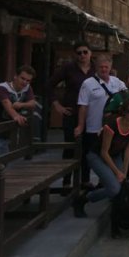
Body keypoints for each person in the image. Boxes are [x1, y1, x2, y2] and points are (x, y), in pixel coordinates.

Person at [73, 98, 129, 217]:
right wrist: (117, 172)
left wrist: (124, 171)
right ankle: (84, 199)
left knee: (120, 184)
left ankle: (118, 212)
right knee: (114, 188)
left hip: (116, 154)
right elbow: (104, 152)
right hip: (97, 155)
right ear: (124, 112)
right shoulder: (112, 125)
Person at [46, 42, 95, 191]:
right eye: (79, 53)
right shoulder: (69, 68)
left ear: (90, 53)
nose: (82, 55)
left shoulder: (96, 68)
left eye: (85, 52)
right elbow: (49, 85)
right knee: (70, 147)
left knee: (88, 148)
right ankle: (66, 182)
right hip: (72, 112)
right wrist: (57, 105)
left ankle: (85, 180)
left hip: (91, 115)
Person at [74, 55, 126, 188]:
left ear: (110, 68)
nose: (104, 69)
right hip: (94, 127)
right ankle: (85, 182)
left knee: (109, 155)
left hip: (112, 128)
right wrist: (80, 125)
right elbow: (83, 106)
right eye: (101, 67)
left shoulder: (117, 82)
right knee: (91, 156)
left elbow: (126, 100)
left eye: (106, 67)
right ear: (96, 68)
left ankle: (105, 182)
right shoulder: (88, 84)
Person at [0, 65, 37, 156]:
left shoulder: (27, 88)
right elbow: (6, 103)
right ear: (15, 76)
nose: (24, 82)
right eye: (22, 78)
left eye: (28, 80)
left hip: (10, 130)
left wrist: (21, 105)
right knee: (0, 160)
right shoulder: (2, 88)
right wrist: (16, 116)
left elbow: (33, 103)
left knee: (6, 159)